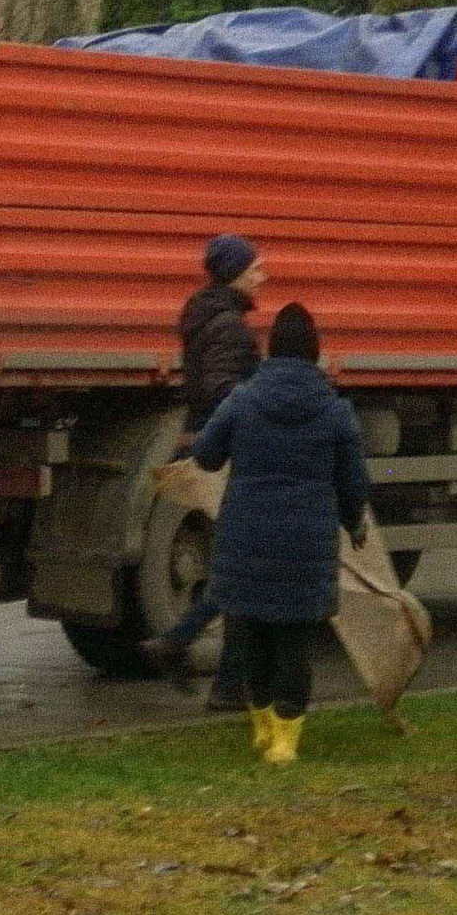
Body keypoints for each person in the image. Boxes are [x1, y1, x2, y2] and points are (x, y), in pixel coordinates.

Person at [189, 301, 371, 765]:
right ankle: (287, 740)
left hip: (246, 533)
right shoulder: (335, 412)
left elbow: (207, 455)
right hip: (306, 540)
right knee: (293, 641)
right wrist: (354, 523)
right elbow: (353, 483)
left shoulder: (243, 400)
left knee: (250, 634)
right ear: (315, 353)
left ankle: (262, 726)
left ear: (270, 350)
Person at [141, 232, 270, 676]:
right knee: (246, 566)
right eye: (255, 269)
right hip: (235, 455)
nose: (263, 276)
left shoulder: (206, 317)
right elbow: (222, 390)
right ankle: (187, 647)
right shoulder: (229, 328)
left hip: (215, 446)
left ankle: (187, 647)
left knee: (242, 565)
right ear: (235, 274)